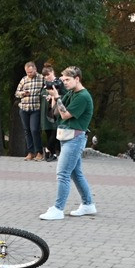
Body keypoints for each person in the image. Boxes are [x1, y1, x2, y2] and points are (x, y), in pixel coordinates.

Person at [39, 66, 96, 220]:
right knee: (76, 173)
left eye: (67, 80)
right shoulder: (71, 93)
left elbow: (64, 115)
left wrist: (57, 97)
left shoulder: (83, 97)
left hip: (75, 138)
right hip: (67, 137)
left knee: (62, 174)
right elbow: (55, 112)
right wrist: (53, 98)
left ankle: (58, 209)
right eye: (63, 80)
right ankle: (88, 204)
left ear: (77, 78)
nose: (64, 83)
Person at [15, 61, 45, 161]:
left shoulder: (41, 78)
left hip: (35, 109)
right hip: (24, 108)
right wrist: (23, 93)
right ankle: (30, 152)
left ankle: (39, 152)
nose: (29, 74)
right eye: (27, 72)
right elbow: (17, 93)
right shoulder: (24, 80)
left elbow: (46, 90)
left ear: (35, 70)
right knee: (27, 131)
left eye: (31, 72)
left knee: (34, 130)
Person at [40, 65, 61, 161]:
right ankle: (51, 153)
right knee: (48, 131)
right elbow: (42, 93)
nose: (47, 77)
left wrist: (53, 96)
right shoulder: (45, 83)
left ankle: (49, 149)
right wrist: (47, 95)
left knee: (56, 130)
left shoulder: (59, 82)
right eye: (45, 76)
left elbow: (61, 93)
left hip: (57, 110)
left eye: (48, 74)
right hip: (47, 110)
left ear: (52, 72)